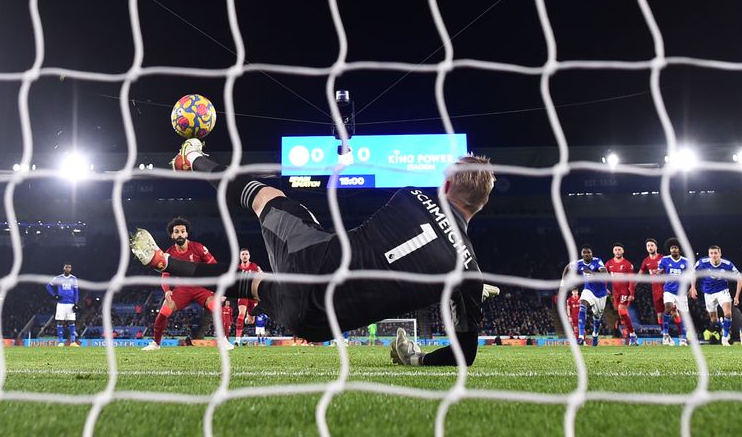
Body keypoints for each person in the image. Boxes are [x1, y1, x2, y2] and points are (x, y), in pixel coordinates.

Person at [131, 138, 500, 366]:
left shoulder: (409, 194)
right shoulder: (467, 270)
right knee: (253, 284)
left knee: (265, 196)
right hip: (313, 323)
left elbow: (394, 242)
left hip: (312, 261)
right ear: (481, 205)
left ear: (447, 183)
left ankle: (192, 158)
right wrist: (467, 286)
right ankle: (164, 262)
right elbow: (464, 356)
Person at [142, 217, 232, 351]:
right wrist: (167, 290)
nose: (180, 234)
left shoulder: (198, 247)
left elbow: (215, 267)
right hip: (182, 289)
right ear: (172, 235)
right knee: (164, 311)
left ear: (186, 234)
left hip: (202, 288)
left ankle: (223, 341)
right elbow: (165, 275)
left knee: (217, 307)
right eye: (176, 231)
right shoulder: (169, 254)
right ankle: (156, 344)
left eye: (182, 231)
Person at [690, 245, 742, 347]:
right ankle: (724, 326)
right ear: (709, 254)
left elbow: (739, 278)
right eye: (711, 253)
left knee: (728, 313)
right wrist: (692, 287)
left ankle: (725, 337)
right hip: (708, 293)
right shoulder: (702, 262)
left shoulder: (727, 264)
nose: (713, 255)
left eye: (716, 253)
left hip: (722, 291)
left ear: (720, 254)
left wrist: (736, 296)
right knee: (713, 320)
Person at [561, 245, 608, 346]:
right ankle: (581, 337)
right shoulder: (578, 263)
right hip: (588, 290)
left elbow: (605, 274)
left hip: (601, 293)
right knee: (582, 305)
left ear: (592, 254)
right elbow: (567, 268)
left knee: (597, 317)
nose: (586, 254)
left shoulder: (597, 261)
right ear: (582, 254)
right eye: (584, 253)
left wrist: (592, 273)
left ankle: (595, 335)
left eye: (588, 252)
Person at [657, 237, 689, 346]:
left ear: (679, 249)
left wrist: (692, 287)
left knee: (684, 315)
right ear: (669, 249)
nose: (673, 250)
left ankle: (683, 339)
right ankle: (665, 335)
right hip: (669, 290)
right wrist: (658, 272)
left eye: (675, 248)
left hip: (682, 292)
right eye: (672, 248)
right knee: (668, 308)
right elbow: (660, 269)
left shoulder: (686, 261)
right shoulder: (665, 259)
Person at [605, 243, 637, 346]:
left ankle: (632, 335)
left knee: (622, 311)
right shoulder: (609, 263)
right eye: (616, 249)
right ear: (613, 251)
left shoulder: (628, 264)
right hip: (616, 294)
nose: (617, 251)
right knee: (621, 315)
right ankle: (630, 334)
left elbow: (632, 280)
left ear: (623, 251)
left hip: (625, 292)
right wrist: (605, 288)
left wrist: (631, 293)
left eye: (619, 249)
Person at [46, 263, 80, 347]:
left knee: (71, 321)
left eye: (70, 267)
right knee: (60, 321)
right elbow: (48, 286)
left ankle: (73, 342)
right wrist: (54, 295)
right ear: (64, 268)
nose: (68, 269)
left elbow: (76, 292)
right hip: (61, 304)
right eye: (67, 267)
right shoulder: (58, 278)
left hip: (71, 304)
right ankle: (61, 342)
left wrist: (76, 303)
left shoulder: (74, 278)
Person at [638, 238, 668, 333]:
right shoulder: (645, 261)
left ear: (656, 247)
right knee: (659, 313)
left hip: (667, 287)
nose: (650, 247)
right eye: (648, 246)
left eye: (652, 245)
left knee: (673, 311)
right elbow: (639, 274)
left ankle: (681, 335)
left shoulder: (663, 258)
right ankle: (664, 334)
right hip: (655, 289)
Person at [235, 248, 263, 346]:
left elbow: (262, 276)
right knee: (240, 315)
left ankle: (248, 316)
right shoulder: (237, 268)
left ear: (249, 256)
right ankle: (237, 339)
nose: (245, 256)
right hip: (242, 294)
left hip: (252, 295)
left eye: (246, 254)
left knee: (250, 321)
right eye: (243, 254)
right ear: (240, 256)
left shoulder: (254, 266)